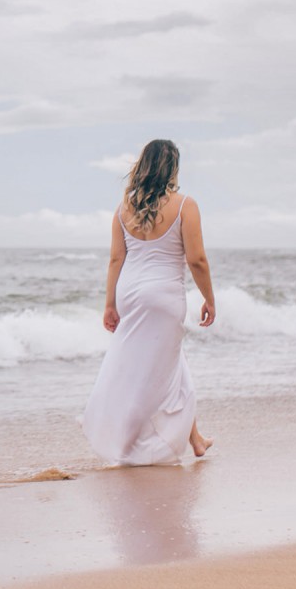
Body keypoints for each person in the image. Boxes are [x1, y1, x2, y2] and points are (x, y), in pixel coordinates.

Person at [82, 139, 216, 465]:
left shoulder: (124, 209)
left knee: (166, 362)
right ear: (173, 168)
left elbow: (116, 259)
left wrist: (109, 304)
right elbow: (196, 259)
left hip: (130, 293)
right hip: (165, 296)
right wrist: (209, 298)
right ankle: (127, 443)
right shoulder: (185, 206)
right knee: (160, 368)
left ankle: (196, 439)